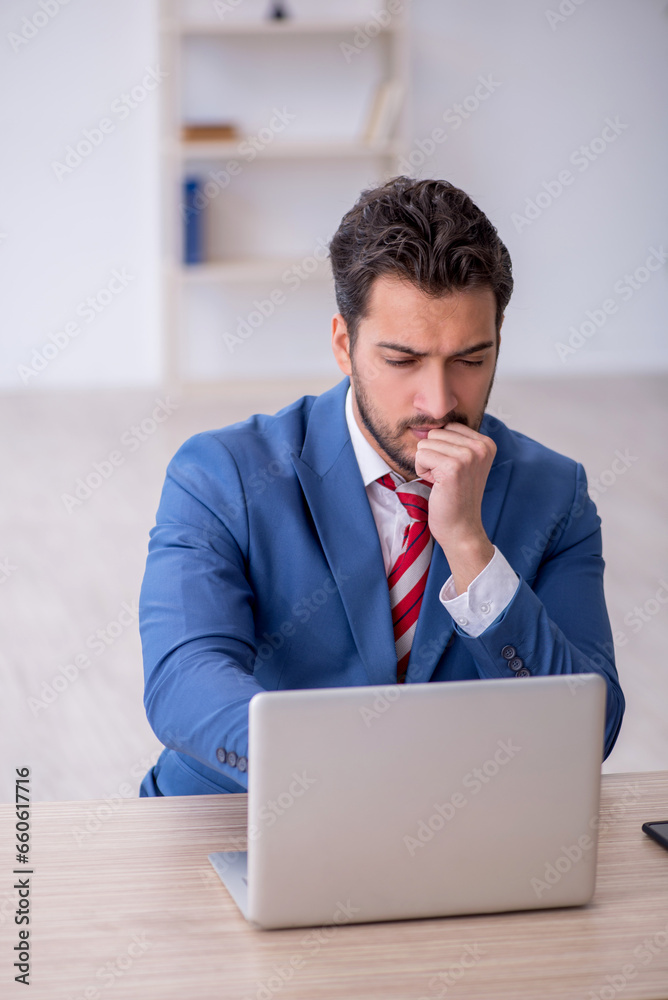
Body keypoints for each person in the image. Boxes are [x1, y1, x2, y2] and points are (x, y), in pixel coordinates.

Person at [138, 176, 624, 797]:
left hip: (455, 841)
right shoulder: (219, 474)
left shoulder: (556, 495)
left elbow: (591, 729)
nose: (440, 401)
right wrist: (344, 779)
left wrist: (473, 553)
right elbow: (184, 680)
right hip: (235, 821)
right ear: (344, 345)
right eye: (402, 361)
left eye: (471, 360)